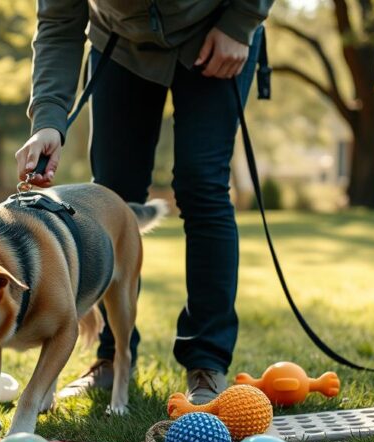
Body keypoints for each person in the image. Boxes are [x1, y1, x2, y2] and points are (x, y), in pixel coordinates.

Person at [15, 0, 273, 405]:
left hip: (214, 32)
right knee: (111, 195)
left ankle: (206, 361)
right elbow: (59, 22)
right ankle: (112, 355)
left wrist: (241, 22)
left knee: (202, 187)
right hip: (122, 43)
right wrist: (49, 120)